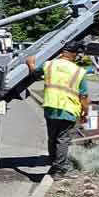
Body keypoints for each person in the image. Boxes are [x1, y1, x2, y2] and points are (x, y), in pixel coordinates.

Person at [26, 44, 91, 175]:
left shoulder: (49, 65)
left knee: (52, 136)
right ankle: (60, 169)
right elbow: (83, 97)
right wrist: (85, 113)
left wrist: (30, 63)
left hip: (50, 107)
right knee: (63, 139)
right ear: (74, 54)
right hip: (68, 109)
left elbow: (34, 74)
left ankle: (53, 161)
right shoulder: (79, 71)